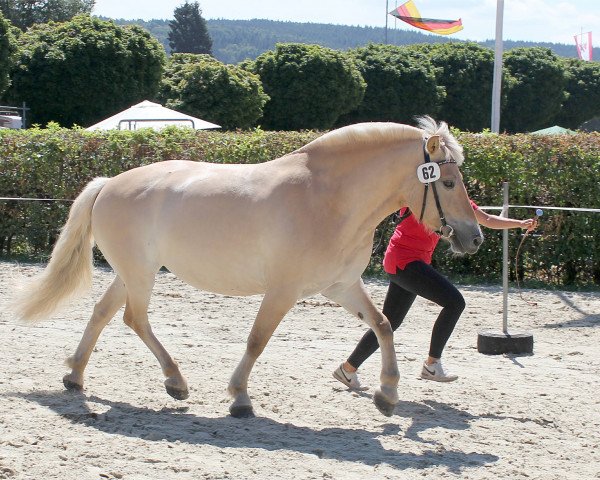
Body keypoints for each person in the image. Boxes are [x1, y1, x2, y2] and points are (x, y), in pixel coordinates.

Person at [333, 201, 538, 390]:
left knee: (389, 323)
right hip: (405, 261)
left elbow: (486, 219)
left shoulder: (456, 199)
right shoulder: (418, 194)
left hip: (408, 262)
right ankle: (432, 364)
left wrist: (519, 223)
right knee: (455, 303)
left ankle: (348, 369)